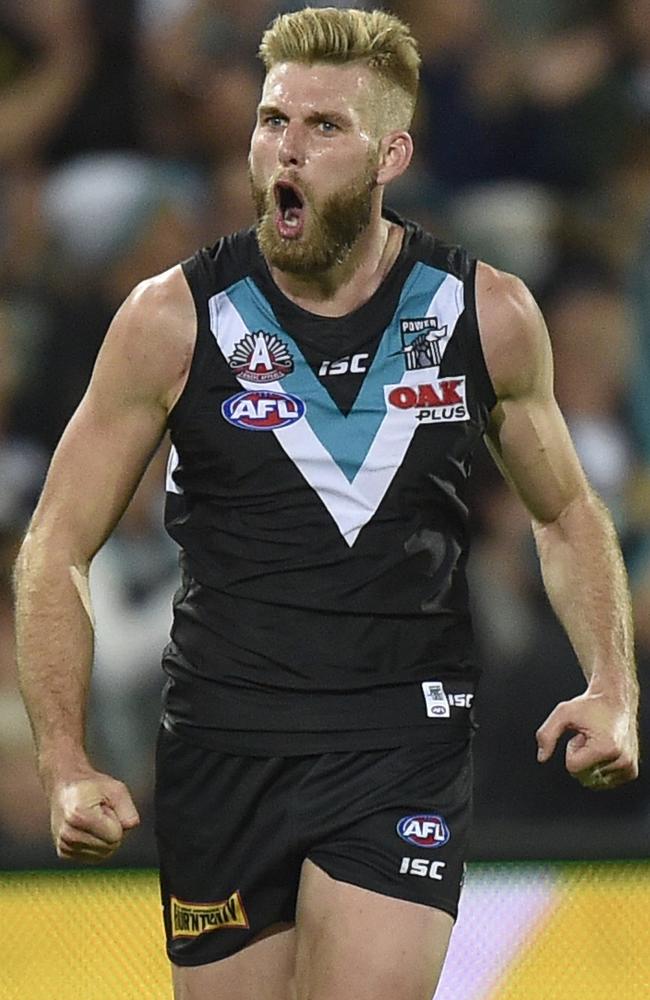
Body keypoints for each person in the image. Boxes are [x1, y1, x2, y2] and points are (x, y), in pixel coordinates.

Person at [14, 8, 639, 1000]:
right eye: (271, 121)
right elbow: (53, 546)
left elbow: (564, 513)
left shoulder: (484, 314)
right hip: (223, 742)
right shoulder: (170, 320)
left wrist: (612, 680)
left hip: (402, 742)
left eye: (321, 127)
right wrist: (63, 757)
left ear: (390, 153)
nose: (283, 149)